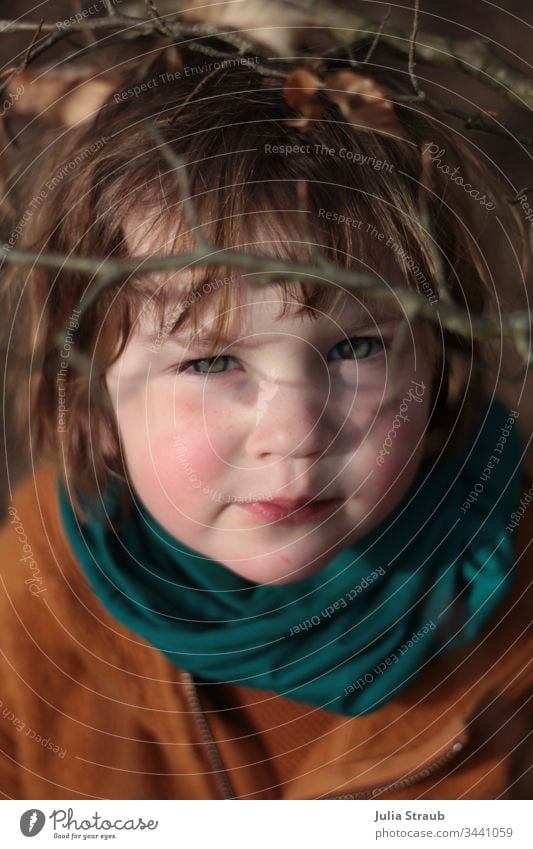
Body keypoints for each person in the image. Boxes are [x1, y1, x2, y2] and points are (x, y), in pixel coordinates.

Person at [0, 46, 531, 800]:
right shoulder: (36, 596)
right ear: (89, 405)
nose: (292, 431)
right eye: (212, 363)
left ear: (439, 364)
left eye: (353, 348)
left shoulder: (513, 598)